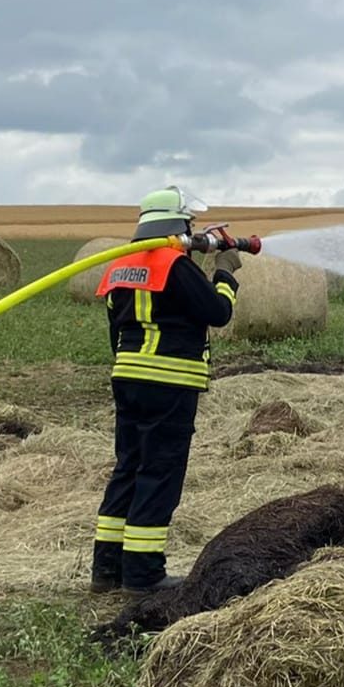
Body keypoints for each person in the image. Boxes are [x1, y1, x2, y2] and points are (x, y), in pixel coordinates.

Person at [90, 186, 241, 594]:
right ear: (178, 224)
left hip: (128, 378)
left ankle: (106, 571)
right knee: (159, 473)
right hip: (169, 381)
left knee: (129, 467)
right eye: (189, 224)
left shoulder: (119, 265)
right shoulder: (174, 265)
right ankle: (143, 575)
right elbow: (217, 312)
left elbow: (115, 329)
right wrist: (225, 272)